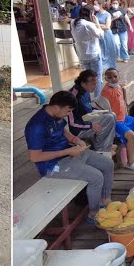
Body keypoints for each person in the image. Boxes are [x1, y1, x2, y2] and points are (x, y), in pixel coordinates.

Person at [24, 90, 115, 221]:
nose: (69, 114)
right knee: (96, 177)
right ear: (56, 107)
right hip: (52, 166)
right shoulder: (36, 126)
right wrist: (67, 152)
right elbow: (34, 157)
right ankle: (94, 214)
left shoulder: (56, 115)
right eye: (68, 111)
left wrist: (74, 139)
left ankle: (105, 200)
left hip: (69, 153)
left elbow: (62, 130)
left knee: (107, 164)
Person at [101, 67, 134, 169]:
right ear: (106, 79)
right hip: (115, 121)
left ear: (118, 76)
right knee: (132, 136)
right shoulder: (106, 91)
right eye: (110, 77)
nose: (113, 79)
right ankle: (131, 162)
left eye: (115, 76)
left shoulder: (118, 87)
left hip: (124, 117)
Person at [68, 69, 117, 152]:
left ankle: (102, 146)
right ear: (83, 84)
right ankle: (102, 151)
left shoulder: (85, 91)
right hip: (78, 130)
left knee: (111, 114)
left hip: (86, 122)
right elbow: (72, 124)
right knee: (109, 118)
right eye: (93, 84)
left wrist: (101, 111)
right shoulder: (73, 97)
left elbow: (88, 109)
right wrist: (90, 125)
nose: (95, 86)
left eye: (96, 84)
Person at [71, 7, 104, 80]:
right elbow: (101, 35)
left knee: (88, 78)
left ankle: (89, 91)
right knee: (97, 77)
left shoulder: (73, 22)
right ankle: (97, 92)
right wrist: (97, 23)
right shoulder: (88, 24)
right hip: (93, 54)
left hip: (82, 54)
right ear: (90, 14)